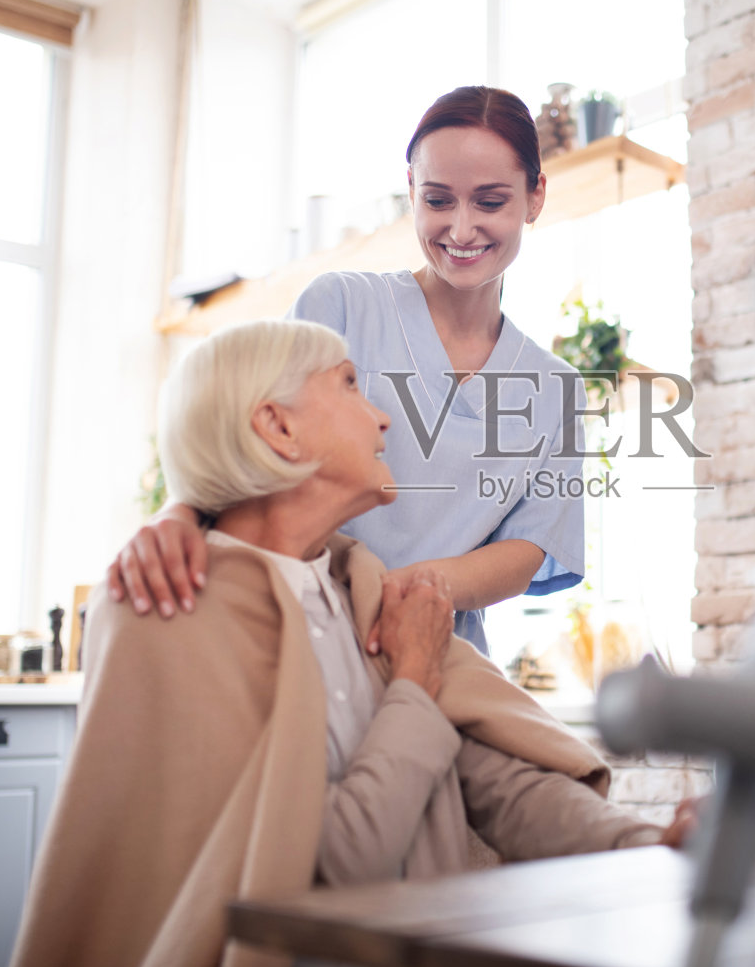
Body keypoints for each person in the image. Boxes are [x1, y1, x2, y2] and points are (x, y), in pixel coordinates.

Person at [10, 319, 684, 967]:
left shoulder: (357, 589)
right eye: (352, 384)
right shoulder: (171, 617)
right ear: (278, 426)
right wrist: (414, 679)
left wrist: (653, 843)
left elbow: (503, 784)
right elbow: (332, 868)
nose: (383, 418)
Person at [109, 86, 585, 655]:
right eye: (437, 201)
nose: (460, 230)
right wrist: (176, 516)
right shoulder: (339, 307)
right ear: (411, 192)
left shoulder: (556, 390)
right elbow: (235, 433)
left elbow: (528, 548)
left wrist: (402, 593)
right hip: (293, 629)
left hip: (433, 654)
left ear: (534, 198)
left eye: (489, 202)